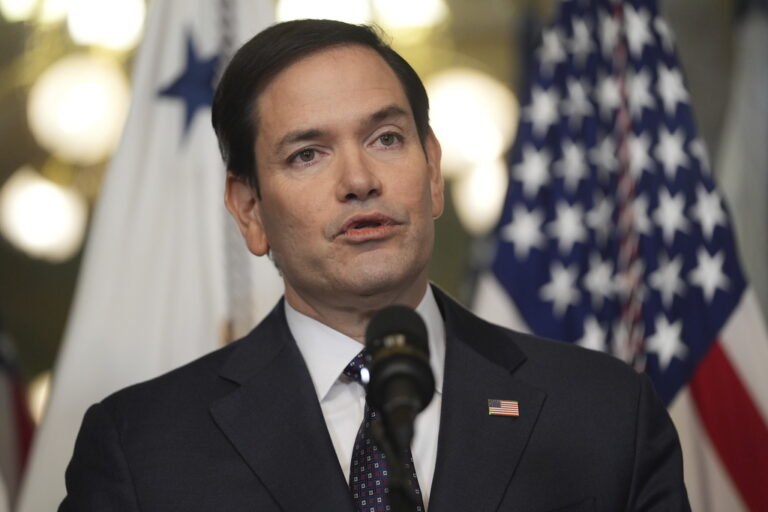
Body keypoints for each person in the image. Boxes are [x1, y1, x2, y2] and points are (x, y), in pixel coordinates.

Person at [60, 19, 690, 512]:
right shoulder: (143, 447)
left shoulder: (605, 412)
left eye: (386, 139)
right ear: (249, 209)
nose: (359, 180)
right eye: (308, 154)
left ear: (433, 171)